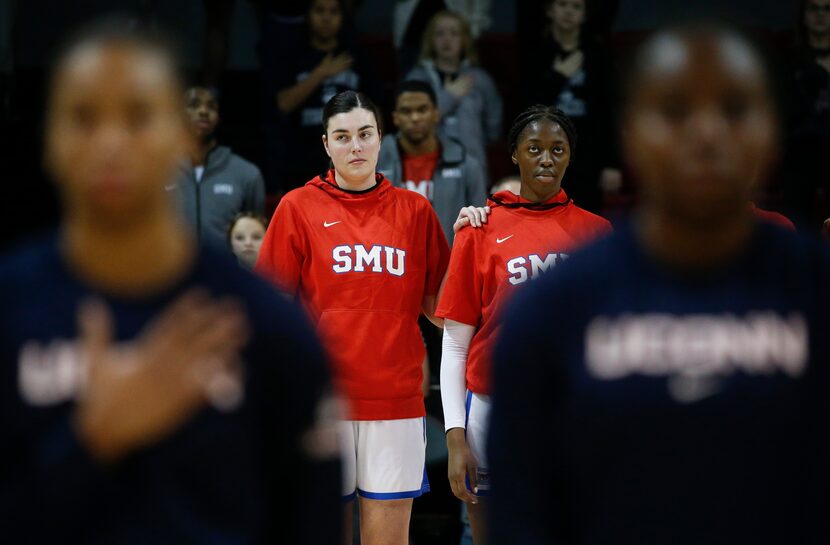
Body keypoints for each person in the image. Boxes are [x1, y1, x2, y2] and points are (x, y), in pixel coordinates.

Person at [0, 18, 341, 545]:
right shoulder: (11, 306)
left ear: (182, 137)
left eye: (138, 117)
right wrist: (91, 441)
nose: (111, 142)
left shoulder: (270, 327)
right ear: (49, 139)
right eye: (84, 118)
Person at [488, 23, 830, 545]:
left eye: (736, 109)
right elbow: (525, 517)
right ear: (629, 133)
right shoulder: (553, 310)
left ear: (773, 131)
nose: (707, 132)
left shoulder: (815, 292)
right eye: (674, 111)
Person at [255, 90, 451, 545]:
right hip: (324, 405)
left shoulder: (415, 211)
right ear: (326, 144)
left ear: (382, 138)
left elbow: (441, 307)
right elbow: (269, 313)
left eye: (365, 134)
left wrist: (480, 234)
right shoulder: (297, 208)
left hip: (396, 403)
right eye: (343, 137)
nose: (356, 147)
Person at [436, 105, 611, 544]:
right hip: (493, 410)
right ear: (514, 154)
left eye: (557, 149)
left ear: (571, 157)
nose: (546, 159)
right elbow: (455, 346)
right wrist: (454, 437)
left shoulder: (600, 234)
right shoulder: (478, 229)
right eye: (534, 148)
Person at [260, 0, 380, 194]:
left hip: (350, 149)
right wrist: (321, 73)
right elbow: (282, 104)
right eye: (320, 10)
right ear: (307, 15)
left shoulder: (355, 57)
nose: (326, 18)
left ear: (342, 17)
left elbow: (375, 108)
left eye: (333, 12)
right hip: (302, 152)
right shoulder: (293, 56)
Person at [526, 0, 620, 213]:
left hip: (588, 154)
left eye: (576, 7)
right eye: (563, 4)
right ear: (550, 10)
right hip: (546, 149)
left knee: (587, 221)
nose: (569, 11)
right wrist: (558, 77)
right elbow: (528, 107)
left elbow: (608, 111)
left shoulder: (597, 53)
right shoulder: (536, 52)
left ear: (585, 14)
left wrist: (612, 163)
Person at [378, 80, 487, 246]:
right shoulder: (375, 162)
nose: (415, 118)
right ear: (395, 118)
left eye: (422, 110)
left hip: (449, 266)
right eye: (406, 111)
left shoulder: (467, 166)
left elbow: (481, 228)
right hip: (391, 264)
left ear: (436, 114)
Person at [407, 10, 502, 185]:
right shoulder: (417, 78)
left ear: (465, 40)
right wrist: (449, 96)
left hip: (473, 170)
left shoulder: (480, 79)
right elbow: (412, 122)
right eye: (440, 34)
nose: (447, 40)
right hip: (428, 171)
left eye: (454, 33)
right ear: (431, 40)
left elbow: (494, 128)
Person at [174, 85, 265, 244]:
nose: (203, 111)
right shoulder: (156, 172)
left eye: (211, 106)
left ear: (219, 117)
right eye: (194, 105)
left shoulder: (246, 174)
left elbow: (257, 240)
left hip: (225, 268)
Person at [783, 0, 830, 226]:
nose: (820, 14)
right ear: (804, 14)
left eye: (827, 8)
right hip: (800, 147)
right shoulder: (789, 59)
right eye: (814, 8)